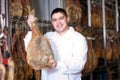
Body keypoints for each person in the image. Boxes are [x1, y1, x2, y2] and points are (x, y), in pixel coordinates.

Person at [25, 8, 88, 80]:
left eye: (61, 18)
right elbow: (31, 51)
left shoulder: (78, 38)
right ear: (52, 22)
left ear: (67, 19)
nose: (58, 22)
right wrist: (32, 27)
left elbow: (79, 64)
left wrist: (57, 64)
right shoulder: (47, 36)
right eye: (55, 20)